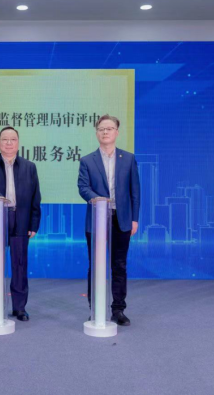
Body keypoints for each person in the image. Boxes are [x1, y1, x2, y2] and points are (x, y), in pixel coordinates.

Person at [77, 114, 140, 326]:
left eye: (109, 128)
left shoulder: (128, 159)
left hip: (121, 220)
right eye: (101, 129)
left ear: (117, 132)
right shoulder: (87, 160)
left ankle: (118, 310)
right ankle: (95, 308)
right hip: (96, 220)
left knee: (119, 265)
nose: (105, 132)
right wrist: (97, 199)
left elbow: (135, 191)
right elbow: (83, 187)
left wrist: (134, 219)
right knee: (95, 266)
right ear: (96, 133)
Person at [0, 126, 41, 321]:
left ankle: (19, 308)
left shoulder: (29, 167)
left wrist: (34, 223)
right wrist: (1, 199)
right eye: (4, 139)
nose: (8, 143)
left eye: (12, 139)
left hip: (21, 219)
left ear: (18, 143)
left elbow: (35, 197)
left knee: (20, 265)